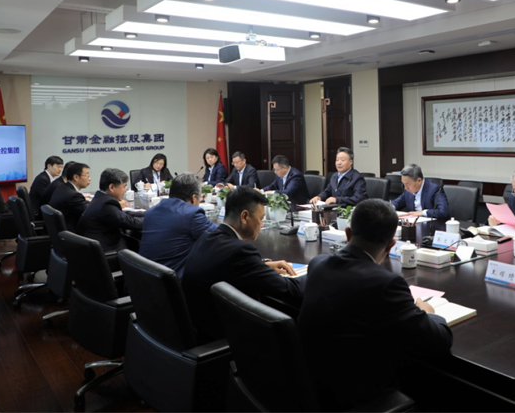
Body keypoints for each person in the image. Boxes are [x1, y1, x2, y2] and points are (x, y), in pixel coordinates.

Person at [298, 199, 453, 410]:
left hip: (310, 386)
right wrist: (428, 314)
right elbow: (439, 342)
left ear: (348, 233)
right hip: (356, 398)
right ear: (391, 245)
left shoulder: (318, 264)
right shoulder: (386, 284)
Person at [183, 187, 303, 341]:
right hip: (226, 336)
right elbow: (289, 290)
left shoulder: (207, 237)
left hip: (200, 326)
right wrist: (317, 272)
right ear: (245, 216)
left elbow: (226, 266)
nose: (262, 225)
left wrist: (262, 265)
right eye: (261, 218)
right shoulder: (240, 252)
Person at [138, 173, 217, 279]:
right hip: (170, 283)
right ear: (194, 198)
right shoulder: (191, 214)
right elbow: (221, 234)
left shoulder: (151, 211)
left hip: (143, 279)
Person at [77, 168, 142, 252]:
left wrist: (147, 214)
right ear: (111, 187)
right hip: (105, 251)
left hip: (98, 245)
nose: (125, 190)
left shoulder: (100, 198)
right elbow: (132, 223)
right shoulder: (106, 205)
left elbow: (122, 214)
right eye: (124, 186)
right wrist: (152, 218)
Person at [49, 162, 91, 233]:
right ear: (76, 177)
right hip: (70, 235)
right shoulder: (73, 196)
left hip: (58, 232)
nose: (89, 179)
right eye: (87, 175)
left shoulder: (63, 187)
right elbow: (89, 212)